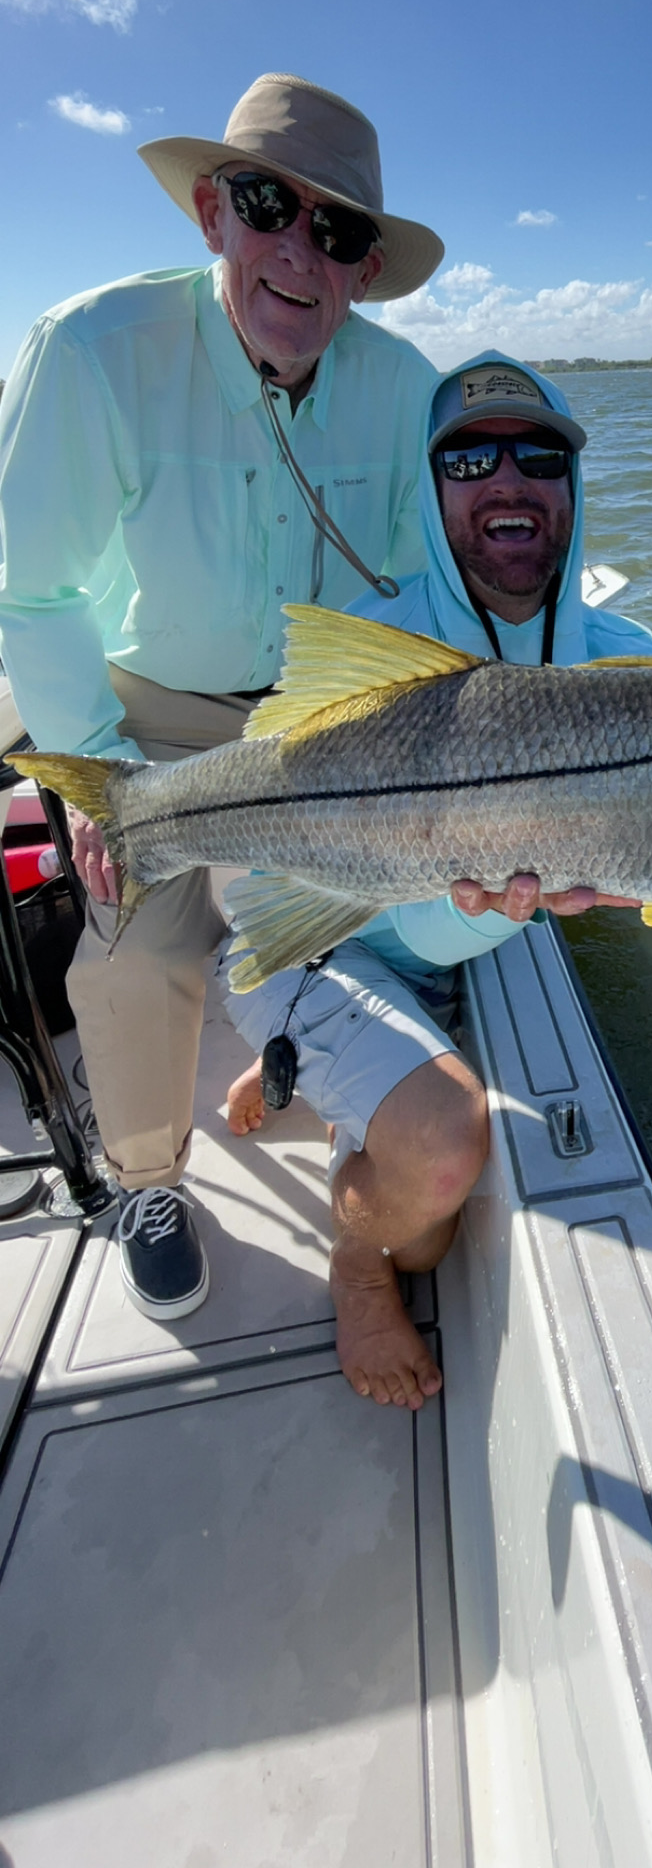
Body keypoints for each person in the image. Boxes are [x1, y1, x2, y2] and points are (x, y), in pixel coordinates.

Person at [0, 73, 447, 1323]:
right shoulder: (91, 351)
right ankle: (150, 1176)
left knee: (372, 924)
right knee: (133, 944)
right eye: (271, 208)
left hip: (324, 719)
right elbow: (31, 593)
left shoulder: (407, 388)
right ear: (211, 212)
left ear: (366, 269)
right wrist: (92, 763)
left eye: (341, 232)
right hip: (143, 707)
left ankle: (296, 1064)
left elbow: (426, 594)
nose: (303, 255)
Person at [222, 352, 652, 1411]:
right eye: (468, 457)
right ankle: (356, 1262)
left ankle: (320, 1070)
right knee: (442, 1159)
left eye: (537, 455)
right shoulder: (378, 639)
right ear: (432, 491)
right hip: (314, 929)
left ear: (572, 487)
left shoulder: (630, 661)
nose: (505, 478)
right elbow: (260, 817)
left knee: (428, 1056)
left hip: (447, 952)